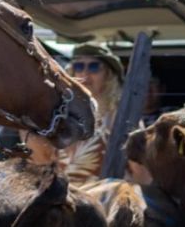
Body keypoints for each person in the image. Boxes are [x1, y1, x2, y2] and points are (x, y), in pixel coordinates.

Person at [24, 42, 124, 184]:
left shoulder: (119, 116)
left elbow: (141, 173)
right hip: (65, 197)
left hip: (104, 197)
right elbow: (43, 163)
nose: (85, 73)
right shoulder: (61, 116)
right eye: (79, 66)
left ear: (108, 75)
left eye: (94, 67)